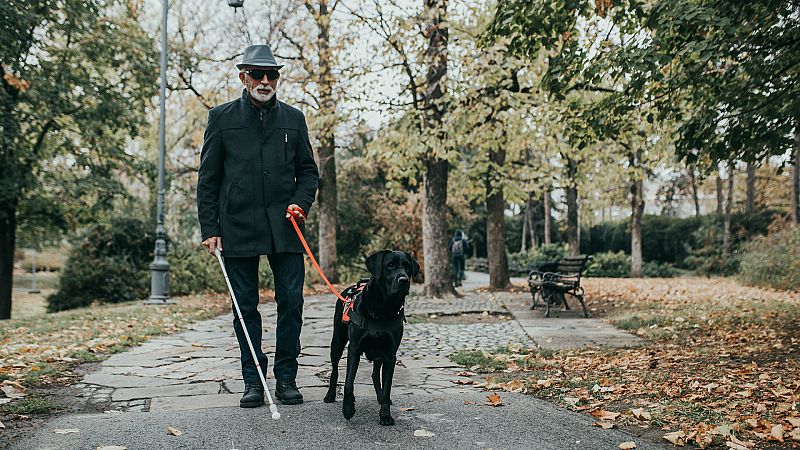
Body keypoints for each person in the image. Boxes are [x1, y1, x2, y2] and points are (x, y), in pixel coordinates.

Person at [196, 44, 319, 408]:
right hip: (236, 225)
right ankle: (253, 380)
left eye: (272, 75)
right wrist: (209, 228)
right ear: (243, 77)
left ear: (277, 78)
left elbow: (308, 172)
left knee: (292, 302)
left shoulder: (294, 119)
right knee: (244, 306)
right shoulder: (221, 118)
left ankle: (286, 378)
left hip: (286, 226)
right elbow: (208, 179)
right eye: (257, 74)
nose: (265, 81)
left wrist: (301, 202)